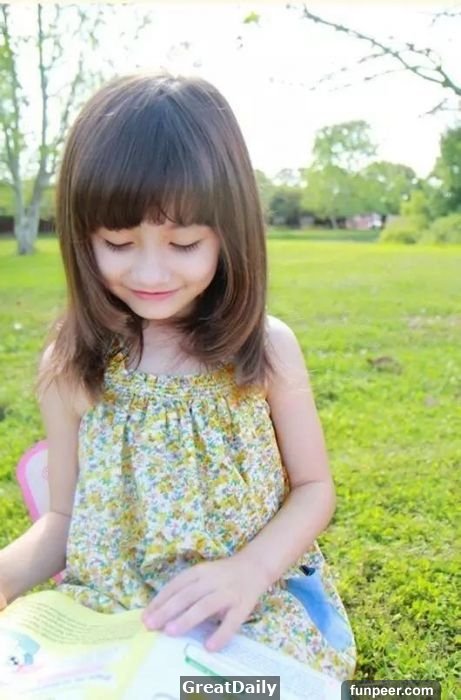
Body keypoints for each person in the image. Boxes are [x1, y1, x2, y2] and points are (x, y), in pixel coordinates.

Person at [0, 73, 356, 682]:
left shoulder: (266, 348)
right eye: (118, 242)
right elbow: (62, 519)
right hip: (112, 613)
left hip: (244, 608)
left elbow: (314, 487)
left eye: (184, 243)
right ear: (83, 238)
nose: (150, 273)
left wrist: (250, 570)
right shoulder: (73, 361)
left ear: (229, 232)